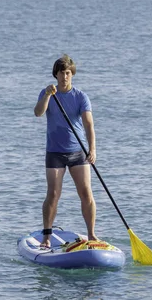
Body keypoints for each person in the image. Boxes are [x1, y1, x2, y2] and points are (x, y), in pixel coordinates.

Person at [34, 54, 98, 247]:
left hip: (78, 152)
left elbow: (88, 125)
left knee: (86, 192)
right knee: (53, 193)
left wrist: (92, 149)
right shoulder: (47, 93)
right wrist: (46, 95)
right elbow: (38, 113)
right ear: (56, 74)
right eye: (61, 73)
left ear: (72, 74)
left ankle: (92, 235)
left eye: (68, 73)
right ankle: (46, 237)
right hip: (54, 152)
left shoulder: (80, 97)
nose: (65, 77)